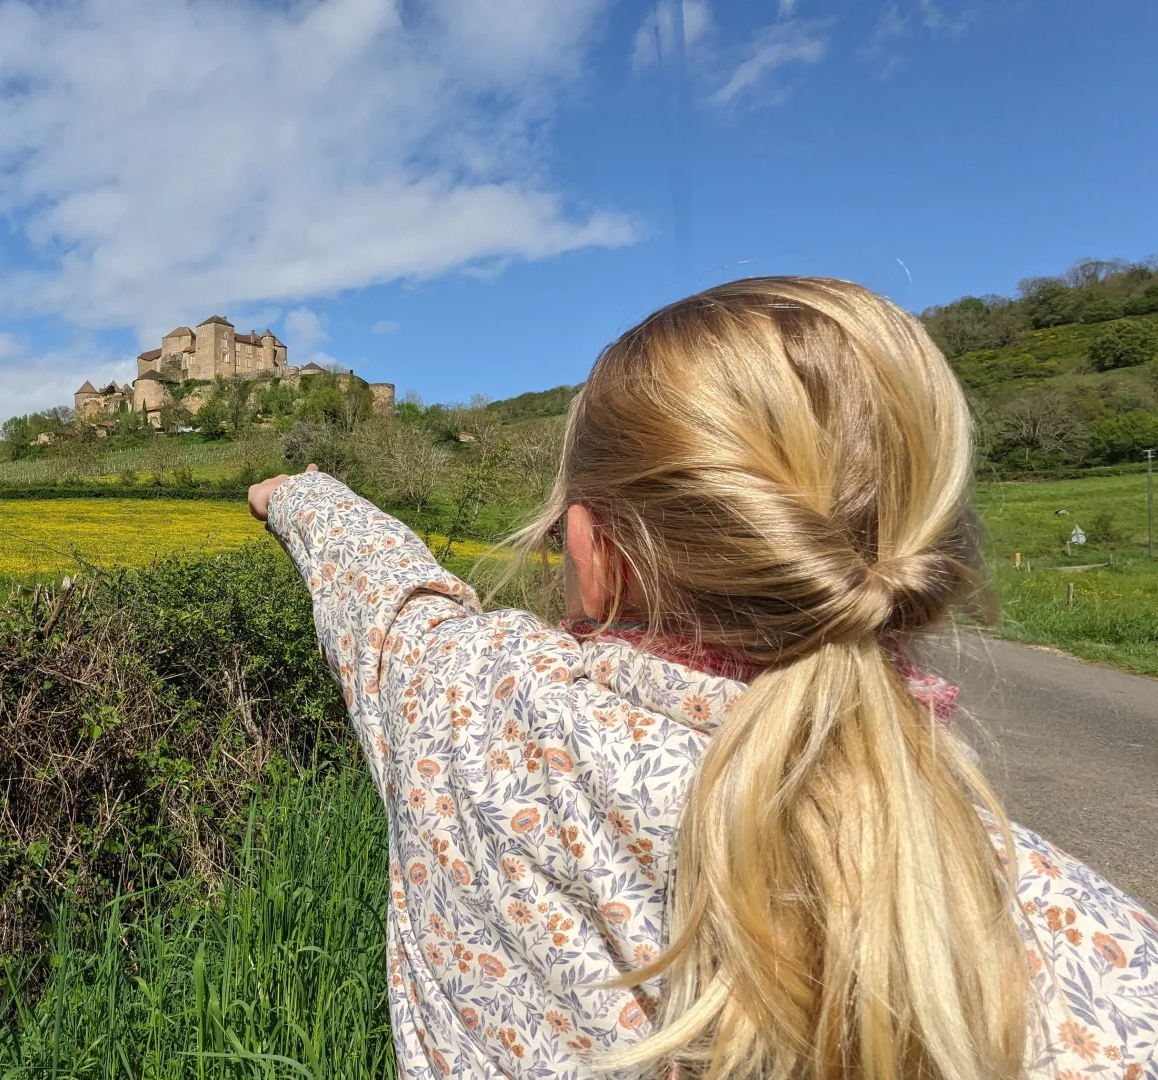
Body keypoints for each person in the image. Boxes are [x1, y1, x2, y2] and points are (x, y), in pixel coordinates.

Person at [247, 277, 1158, 1080]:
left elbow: (385, 595)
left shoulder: (469, 700)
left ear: (592, 552)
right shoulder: (1101, 959)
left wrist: (296, 492)